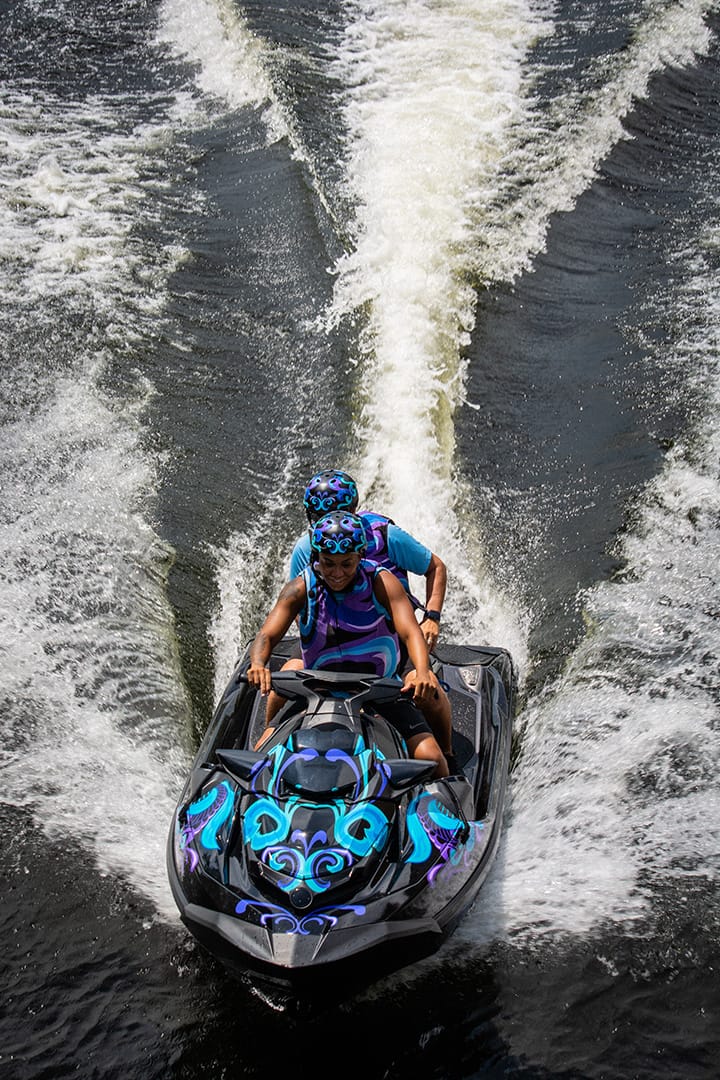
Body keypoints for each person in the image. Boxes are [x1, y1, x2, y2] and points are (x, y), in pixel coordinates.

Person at [247, 511, 452, 778]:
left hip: (381, 692)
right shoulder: (299, 588)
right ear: (316, 556)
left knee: (431, 758)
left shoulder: (381, 582)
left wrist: (422, 671)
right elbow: (267, 635)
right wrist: (258, 663)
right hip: (316, 692)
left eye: (347, 563)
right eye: (328, 563)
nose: (337, 573)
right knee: (263, 754)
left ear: (360, 555)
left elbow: (411, 632)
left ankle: (452, 799)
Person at [290, 469, 447, 654]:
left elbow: (436, 567)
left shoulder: (385, 536)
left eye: (337, 516)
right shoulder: (304, 548)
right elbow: (298, 607)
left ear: (353, 510)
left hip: (392, 633)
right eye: (319, 518)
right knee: (291, 670)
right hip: (330, 639)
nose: (331, 526)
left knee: (417, 680)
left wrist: (431, 618)